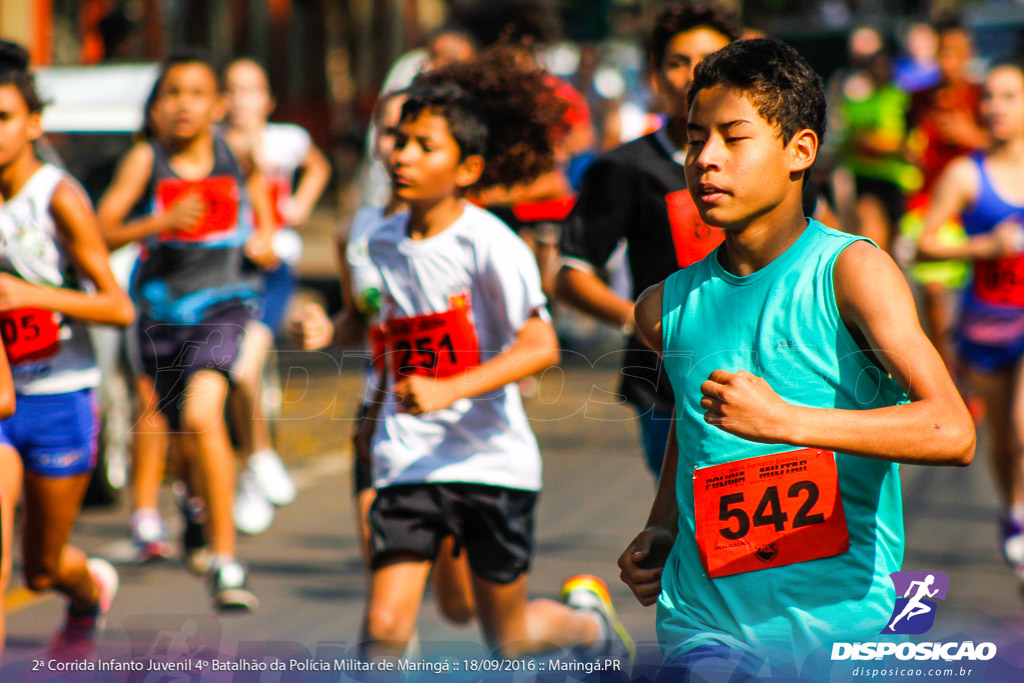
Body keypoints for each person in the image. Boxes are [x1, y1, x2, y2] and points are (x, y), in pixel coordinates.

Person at [618, 38, 974, 678]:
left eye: (733, 137)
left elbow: (951, 428)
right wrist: (663, 524)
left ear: (799, 151)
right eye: (695, 139)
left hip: (843, 627)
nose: (706, 160)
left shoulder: (851, 271)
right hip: (707, 623)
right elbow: (694, 423)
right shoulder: (662, 308)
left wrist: (788, 421)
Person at [292, 52, 631, 662]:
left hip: (489, 462)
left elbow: (541, 345)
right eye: (399, 140)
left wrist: (451, 389)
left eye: (424, 145)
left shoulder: (490, 244)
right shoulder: (380, 239)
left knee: (507, 639)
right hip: (409, 458)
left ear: (467, 167)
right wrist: (328, 327)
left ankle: (588, 627)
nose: (402, 155)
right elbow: (374, 321)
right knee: (385, 629)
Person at [96, 48, 277, 611]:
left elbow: (263, 207)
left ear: (218, 105)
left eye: (196, 93)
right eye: (172, 93)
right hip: (160, 315)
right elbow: (101, 229)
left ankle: (227, 561)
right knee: (178, 434)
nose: (183, 105)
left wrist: (265, 239)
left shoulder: (235, 152)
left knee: (202, 415)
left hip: (224, 306)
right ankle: (196, 508)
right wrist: (159, 222)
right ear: (156, 107)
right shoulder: (146, 161)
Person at [556, 2, 743, 478]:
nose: (692, 75)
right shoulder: (625, 169)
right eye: (677, 62)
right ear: (655, 77)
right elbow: (571, 275)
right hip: (665, 388)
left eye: (709, 60)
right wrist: (644, 324)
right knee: (685, 529)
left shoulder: (775, 159)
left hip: (765, 377)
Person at [0, 40, 134, 655]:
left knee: (43, 570)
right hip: (2, 400)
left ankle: (88, 593)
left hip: (59, 398)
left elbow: (116, 306)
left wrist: (29, 295)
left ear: (33, 123)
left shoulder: (57, 197)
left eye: (2, 119)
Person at [916, 62, 1024, 581]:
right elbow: (925, 242)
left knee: (1023, 429)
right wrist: (985, 245)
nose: (995, 106)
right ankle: (1015, 513)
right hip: (987, 324)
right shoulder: (966, 173)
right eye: (990, 97)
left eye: (1008, 96)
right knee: (1002, 439)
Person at [221, 57, 331, 535]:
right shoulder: (211, 145)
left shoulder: (287, 140)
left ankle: (260, 458)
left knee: (244, 370)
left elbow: (318, 166)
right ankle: (246, 473)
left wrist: (302, 203)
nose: (242, 99)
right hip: (220, 272)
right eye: (233, 89)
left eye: (252, 89)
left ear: (268, 100)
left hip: (271, 269)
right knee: (228, 383)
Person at [901, 18, 987, 375]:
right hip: (930, 209)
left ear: (969, 54)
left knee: (978, 304)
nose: (948, 62)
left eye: (955, 53)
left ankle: (975, 374)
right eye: (942, 53)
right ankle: (945, 375)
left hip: (977, 211)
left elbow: (1008, 150)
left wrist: (972, 136)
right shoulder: (919, 99)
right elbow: (904, 143)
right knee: (933, 296)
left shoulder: (983, 96)